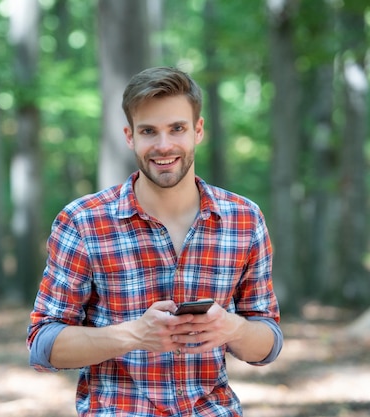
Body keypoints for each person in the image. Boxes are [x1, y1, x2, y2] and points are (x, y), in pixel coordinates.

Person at [26, 66, 282, 416]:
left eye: (177, 128)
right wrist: (133, 335)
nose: (164, 146)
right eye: (149, 131)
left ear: (198, 130)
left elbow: (267, 343)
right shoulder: (83, 221)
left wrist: (232, 328)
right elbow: (42, 344)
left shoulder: (244, 219)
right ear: (130, 136)